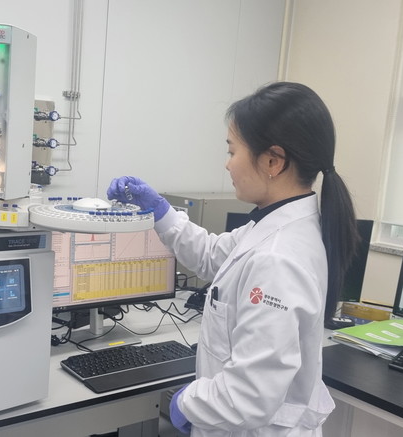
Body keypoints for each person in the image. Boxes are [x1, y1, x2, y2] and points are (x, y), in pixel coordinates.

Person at [106, 82, 359, 437]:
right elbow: (213, 256)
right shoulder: (277, 226)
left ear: (272, 161)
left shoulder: (278, 258)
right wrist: (161, 212)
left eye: (232, 151)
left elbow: (248, 396)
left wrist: (186, 403)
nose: (227, 164)